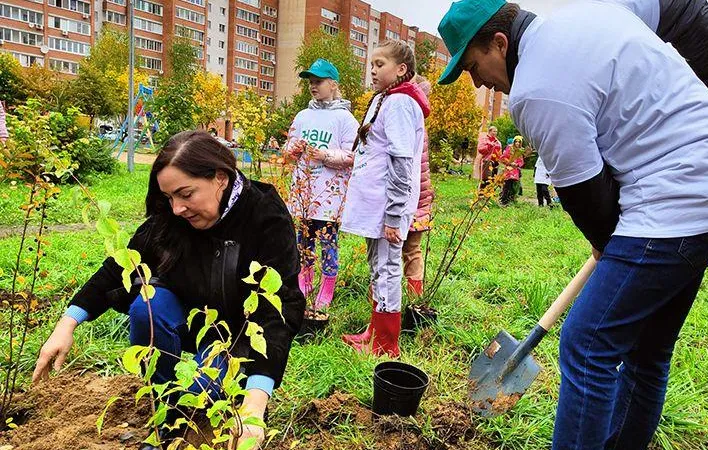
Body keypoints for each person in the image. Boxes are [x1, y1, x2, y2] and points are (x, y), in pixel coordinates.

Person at [437, 0, 708, 448]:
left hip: (678, 199)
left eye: (473, 66)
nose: (479, 81)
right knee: (647, 350)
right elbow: (680, 5)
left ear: (499, 42)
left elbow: (587, 195)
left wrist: (609, 244)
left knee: (587, 344)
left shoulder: (535, 91)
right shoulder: (599, 12)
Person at [32, 131, 304, 449]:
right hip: (189, 318)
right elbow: (120, 266)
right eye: (170, 197)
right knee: (148, 305)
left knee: (201, 393)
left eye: (186, 194)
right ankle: (166, 415)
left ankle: (224, 397)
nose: (177, 208)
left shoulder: (264, 217)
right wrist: (67, 324)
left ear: (220, 178)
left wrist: (254, 409)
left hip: (235, 337)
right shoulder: (171, 216)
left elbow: (277, 308)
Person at [340, 39, 429, 357]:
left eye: (381, 64)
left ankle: (386, 343)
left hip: (387, 208)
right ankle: (374, 330)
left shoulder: (402, 104)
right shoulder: (386, 100)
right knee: (377, 266)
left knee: (388, 267)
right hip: (374, 205)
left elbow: (402, 161)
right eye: (372, 63)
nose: (373, 69)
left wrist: (394, 214)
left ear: (401, 69)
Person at [284, 58, 359, 311]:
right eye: (310, 82)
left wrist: (325, 156)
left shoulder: (345, 120)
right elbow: (288, 148)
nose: (313, 86)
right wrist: (292, 149)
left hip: (329, 196)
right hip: (304, 193)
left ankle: (327, 286)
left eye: (318, 81)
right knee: (303, 241)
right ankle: (305, 282)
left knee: (328, 243)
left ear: (334, 84)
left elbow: (353, 156)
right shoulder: (303, 116)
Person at [403, 75, 435, 297]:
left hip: (409, 197)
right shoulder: (421, 124)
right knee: (412, 250)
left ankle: (381, 301)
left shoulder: (407, 122)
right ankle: (415, 299)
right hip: (421, 197)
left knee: (390, 253)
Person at [499, 135, 524, 206]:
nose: (517, 143)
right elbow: (503, 158)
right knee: (507, 184)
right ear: (514, 142)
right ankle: (504, 200)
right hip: (509, 169)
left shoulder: (520, 150)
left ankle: (511, 199)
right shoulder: (509, 148)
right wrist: (510, 162)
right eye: (516, 141)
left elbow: (521, 161)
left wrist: (517, 164)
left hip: (515, 170)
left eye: (519, 142)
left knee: (514, 186)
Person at [477, 125, 502, 192]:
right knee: (487, 178)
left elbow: (500, 152)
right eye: (494, 131)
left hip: (496, 161)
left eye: (496, 131)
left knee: (493, 178)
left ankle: (490, 193)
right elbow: (480, 149)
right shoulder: (485, 140)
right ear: (490, 131)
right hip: (487, 160)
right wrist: (489, 146)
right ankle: (482, 193)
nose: (495, 133)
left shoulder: (498, 142)